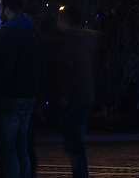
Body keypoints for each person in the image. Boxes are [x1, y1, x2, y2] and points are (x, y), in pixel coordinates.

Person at [0, 0, 40, 178]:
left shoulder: (9, 35)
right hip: (28, 97)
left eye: (0, 8)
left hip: (10, 97)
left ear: (8, 10)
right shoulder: (31, 32)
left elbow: (4, 69)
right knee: (20, 145)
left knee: (8, 148)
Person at [44, 10, 95, 178]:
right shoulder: (85, 40)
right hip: (84, 95)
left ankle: (79, 174)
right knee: (76, 142)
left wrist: (63, 94)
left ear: (64, 21)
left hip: (74, 97)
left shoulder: (68, 42)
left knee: (74, 145)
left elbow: (68, 70)